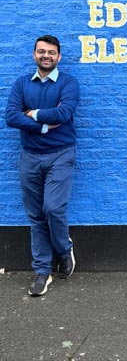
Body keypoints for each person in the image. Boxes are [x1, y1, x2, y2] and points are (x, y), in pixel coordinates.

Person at [5, 35, 80, 296]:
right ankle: (41, 271)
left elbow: (64, 114)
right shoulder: (22, 84)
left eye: (51, 52)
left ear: (58, 57)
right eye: (41, 52)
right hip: (30, 157)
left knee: (53, 207)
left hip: (61, 154)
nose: (46, 56)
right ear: (34, 55)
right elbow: (11, 117)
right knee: (36, 216)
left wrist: (33, 113)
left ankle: (63, 248)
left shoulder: (68, 83)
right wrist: (46, 125)